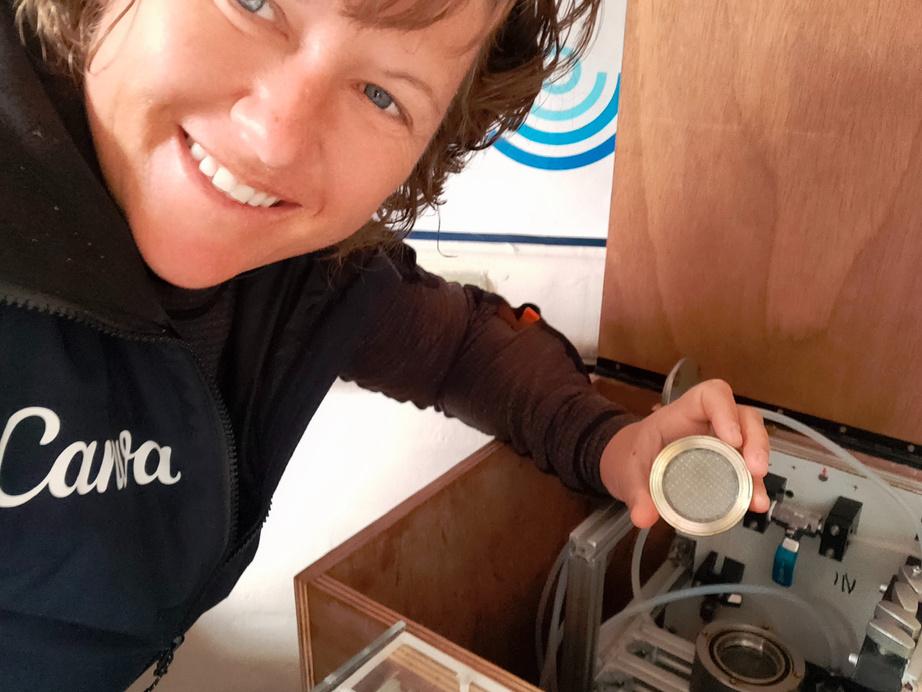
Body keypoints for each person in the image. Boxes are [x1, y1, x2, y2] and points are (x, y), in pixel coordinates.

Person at [0, 0, 770, 689]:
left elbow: (462, 345)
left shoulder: (314, 272)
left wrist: (613, 444)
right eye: (253, 3)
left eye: (381, 94)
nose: (277, 138)